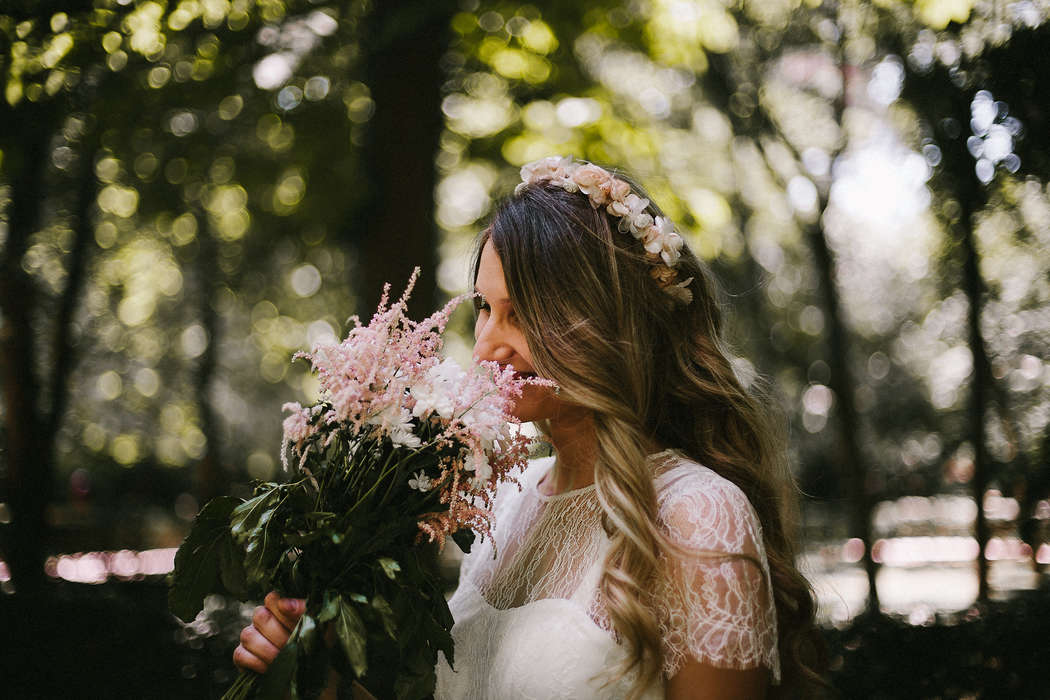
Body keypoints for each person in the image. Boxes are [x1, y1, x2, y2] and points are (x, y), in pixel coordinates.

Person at [234, 156, 826, 699]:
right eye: (485, 308)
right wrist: (320, 677)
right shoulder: (506, 501)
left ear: (605, 324)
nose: (487, 343)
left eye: (523, 314)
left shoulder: (698, 516)